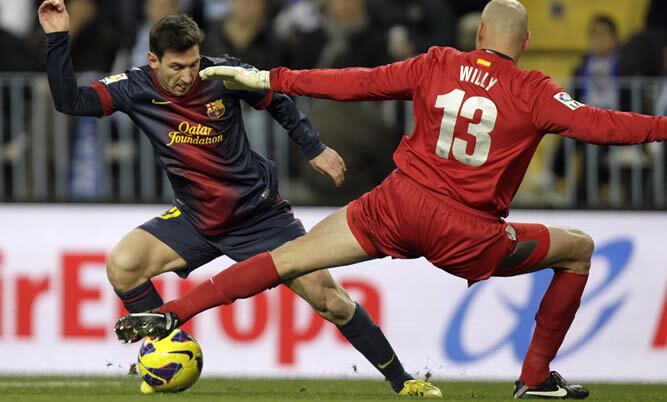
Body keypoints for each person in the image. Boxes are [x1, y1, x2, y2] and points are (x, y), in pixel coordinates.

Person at [115, 0, 667, 398]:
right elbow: (603, 124)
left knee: (284, 260)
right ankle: (535, 378)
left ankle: (172, 312)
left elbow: (357, 82)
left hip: (395, 206)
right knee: (578, 248)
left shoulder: (437, 63)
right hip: (468, 234)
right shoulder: (536, 90)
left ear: (478, 33)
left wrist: (272, 77)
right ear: (523, 44)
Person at [37, 0, 440, 398]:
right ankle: (169, 352)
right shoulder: (134, 86)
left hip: (259, 216)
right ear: (153, 61)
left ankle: (403, 381)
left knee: (330, 301)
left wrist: (314, 148)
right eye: (176, 67)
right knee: (123, 265)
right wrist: (58, 37)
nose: (187, 76)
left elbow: (278, 101)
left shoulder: (222, 74)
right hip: (196, 219)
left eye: (193, 64)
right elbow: (69, 102)